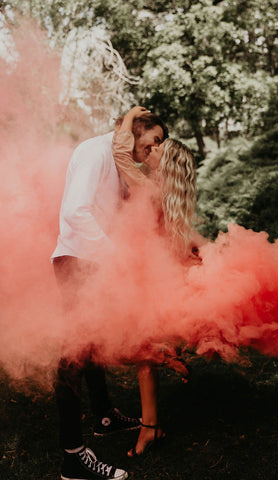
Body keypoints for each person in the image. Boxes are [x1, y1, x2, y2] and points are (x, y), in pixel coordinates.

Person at [51, 110, 168, 480]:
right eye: (153, 140)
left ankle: (104, 416)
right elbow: (75, 212)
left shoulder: (120, 162)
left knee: (94, 346)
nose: (155, 149)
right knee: (74, 354)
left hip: (94, 261)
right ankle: (73, 457)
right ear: (135, 132)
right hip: (76, 262)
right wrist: (114, 258)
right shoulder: (94, 152)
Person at [112, 106, 204, 457]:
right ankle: (151, 425)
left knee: (143, 352)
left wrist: (131, 114)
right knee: (145, 353)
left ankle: (150, 427)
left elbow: (121, 153)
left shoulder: (149, 188)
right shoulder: (166, 192)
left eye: (158, 149)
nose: (151, 150)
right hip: (156, 273)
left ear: (166, 165)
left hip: (147, 276)